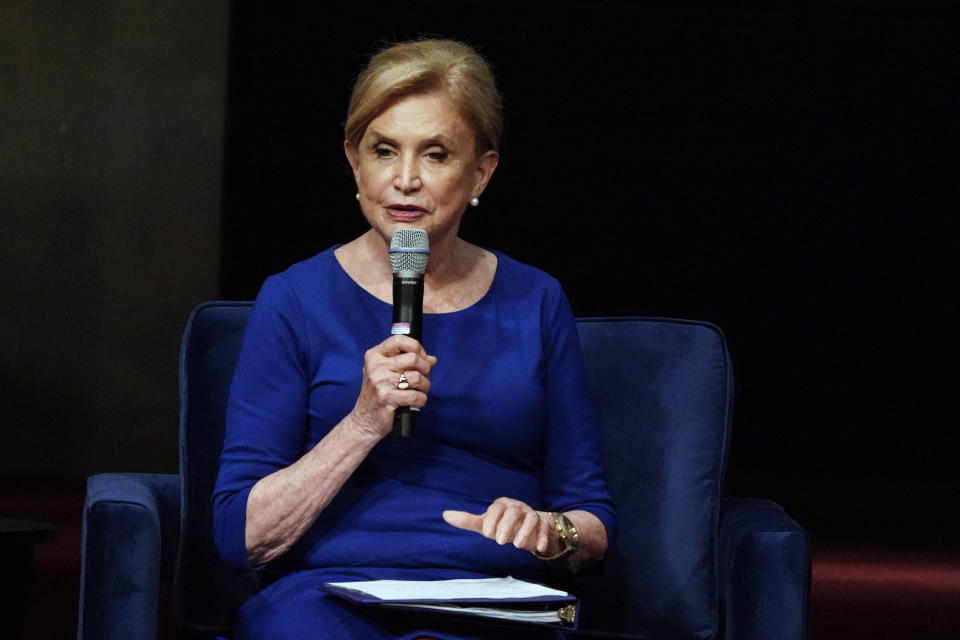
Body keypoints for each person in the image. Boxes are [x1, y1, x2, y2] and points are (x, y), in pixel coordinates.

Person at [212, 39, 617, 640]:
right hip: (328, 597)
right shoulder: (294, 299)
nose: (404, 181)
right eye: (383, 151)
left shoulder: (537, 300)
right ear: (354, 160)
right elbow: (241, 536)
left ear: (480, 171)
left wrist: (548, 530)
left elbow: (592, 521)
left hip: (488, 599)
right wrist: (363, 423)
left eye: (435, 154)